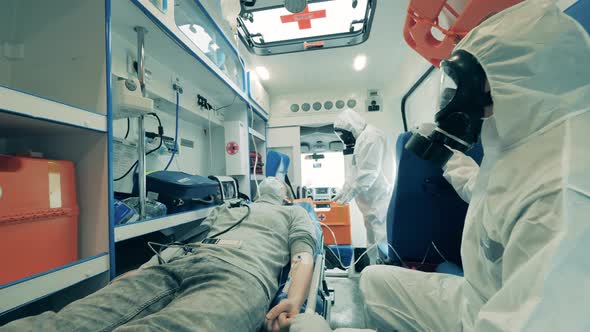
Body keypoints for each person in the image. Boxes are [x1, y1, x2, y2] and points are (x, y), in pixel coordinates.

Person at [358, 0, 590, 331]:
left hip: (499, 316)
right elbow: (491, 192)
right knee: (371, 281)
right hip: (479, 297)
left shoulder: (566, 192)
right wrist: (447, 160)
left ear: (508, 77)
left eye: (460, 83)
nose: (451, 101)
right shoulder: (526, 140)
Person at [1, 177, 317, 332]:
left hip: (240, 274)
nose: (271, 187)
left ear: (287, 197)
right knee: (67, 321)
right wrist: (142, 269)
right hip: (177, 261)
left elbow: (304, 255)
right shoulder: (229, 207)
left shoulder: (294, 214)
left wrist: (293, 297)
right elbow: (187, 240)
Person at [333, 109, 393, 261]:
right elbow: (354, 172)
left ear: (351, 126)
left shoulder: (372, 137)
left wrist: (349, 195)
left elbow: (368, 173)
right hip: (370, 202)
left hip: (379, 200)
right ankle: (374, 272)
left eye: (344, 134)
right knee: (373, 241)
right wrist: (342, 192)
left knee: (382, 240)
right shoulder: (362, 139)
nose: (344, 139)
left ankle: (385, 271)